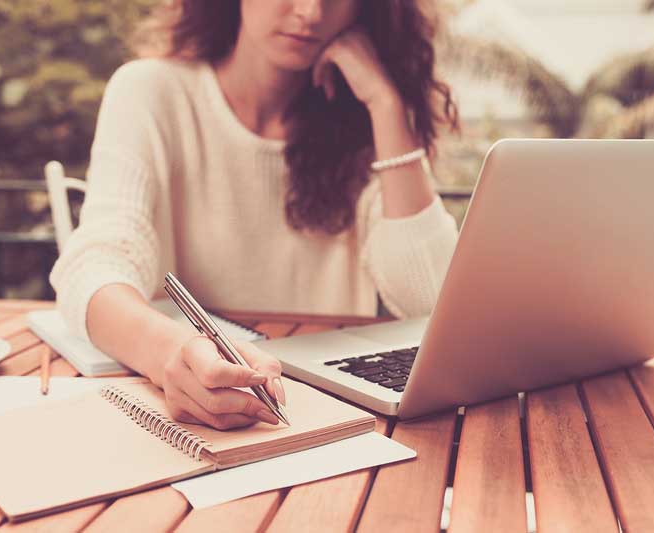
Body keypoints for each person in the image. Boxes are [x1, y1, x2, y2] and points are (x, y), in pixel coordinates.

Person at [50, 0, 459, 430]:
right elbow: (94, 268)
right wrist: (171, 351)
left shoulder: (368, 120)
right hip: (187, 408)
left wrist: (385, 103)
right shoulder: (150, 91)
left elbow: (433, 300)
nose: (311, 11)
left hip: (324, 412)